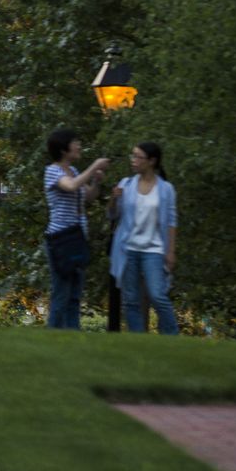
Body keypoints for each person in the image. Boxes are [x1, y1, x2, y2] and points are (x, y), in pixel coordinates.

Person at [44, 128, 110, 330]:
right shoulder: (53, 171)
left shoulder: (73, 171)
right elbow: (71, 187)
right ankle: (52, 336)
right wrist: (94, 166)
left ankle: (73, 338)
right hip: (61, 239)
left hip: (77, 239)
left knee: (74, 295)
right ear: (64, 149)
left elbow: (88, 196)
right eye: (75, 143)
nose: (79, 146)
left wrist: (95, 181)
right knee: (61, 293)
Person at [111, 142, 179, 335]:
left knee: (158, 295)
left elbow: (172, 221)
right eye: (132, 156)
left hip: (154, 250)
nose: (133, 161)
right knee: (130, 299)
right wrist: (114, 198)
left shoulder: (166, 189)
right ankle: (138, 338)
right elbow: (113, 215)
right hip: (128, 249)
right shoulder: (127, 184)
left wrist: (171, 251)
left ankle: (173, 335)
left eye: (138, 157)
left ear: (151, 161)